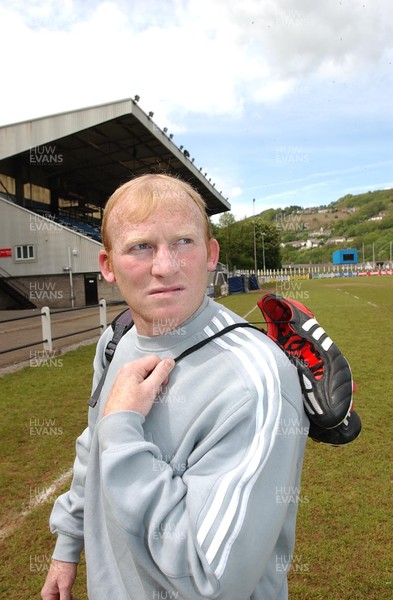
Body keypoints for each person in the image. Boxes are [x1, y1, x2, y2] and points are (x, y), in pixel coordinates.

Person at [41, 173, 309, 600]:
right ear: (108, 266)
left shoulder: (255, 379)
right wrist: (68, 543)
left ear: (210, 253)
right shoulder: (116, 341)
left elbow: (211, 582)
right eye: (140, 247)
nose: (164, 266)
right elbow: (94, 445)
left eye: (183, 241)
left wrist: (121, 428)